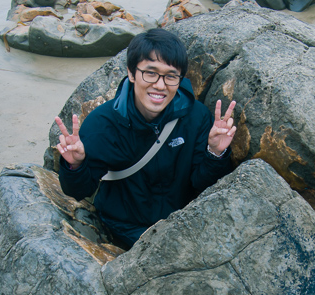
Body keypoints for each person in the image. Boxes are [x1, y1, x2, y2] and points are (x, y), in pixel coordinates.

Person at [55, 28, 237, 249]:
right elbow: (78, 191)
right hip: (122, 227)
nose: (160, 85)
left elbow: (203, 183)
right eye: (150, 73)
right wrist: (75, 165)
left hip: (178, 225)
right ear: (132, 73)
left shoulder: (195, 117)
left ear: (180, 79)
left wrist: (215, 153)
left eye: (170, 76)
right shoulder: (103, 124)